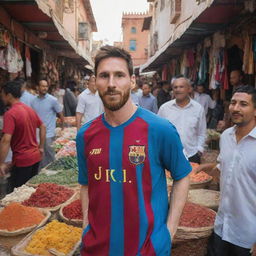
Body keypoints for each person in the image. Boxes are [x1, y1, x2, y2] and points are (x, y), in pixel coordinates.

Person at [76, 46, 192, 255]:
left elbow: (182, 176)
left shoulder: (160, 129)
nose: (111, 84)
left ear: (132, 81)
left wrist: (168, 232)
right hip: (96, 249)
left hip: (147, 249)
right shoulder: (85, 135)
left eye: (119, 75)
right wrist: (86, 225)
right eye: (104, 76)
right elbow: (86, 184)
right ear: (95, 81)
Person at [196, 86, 256, 256]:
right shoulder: (226, 136)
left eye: (243, 104)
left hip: (248, 236)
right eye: (233, 103)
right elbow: (224, 171)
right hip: (222, 227)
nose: (235, 108)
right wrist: (203, 169)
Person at [0, 81, 46, 191]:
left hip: (23, 161)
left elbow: (6, 140)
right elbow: (43, 126)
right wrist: (41, 147)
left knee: (18, 193)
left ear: (9, 95)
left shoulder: (10, 114)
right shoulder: (28, 109)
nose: (1, 97)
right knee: (29, 192)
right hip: (35, 158)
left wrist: (1, 163)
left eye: (2, 94)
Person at [158, 77, 206, 164]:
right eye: (175, 87)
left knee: (192, 178)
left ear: (189, 89)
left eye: (181, 87)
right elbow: (158, 131)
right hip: (169, 156)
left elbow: (202, 132)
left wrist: (199, 149)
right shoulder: (164, 108)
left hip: (192, 155)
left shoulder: (198, 108)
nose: (178, 89)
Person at [31, 78, 64, 168]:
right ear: (38, 87)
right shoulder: (33, 101)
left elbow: (60, 114)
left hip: (49, 133)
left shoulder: (52, 100)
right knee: (40, 157)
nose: (45, 88)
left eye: (46, 86)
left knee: (50, 155)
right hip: (37, 134)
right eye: (43, 86)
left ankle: (55, 172)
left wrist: (62, 129)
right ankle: (42, 174)